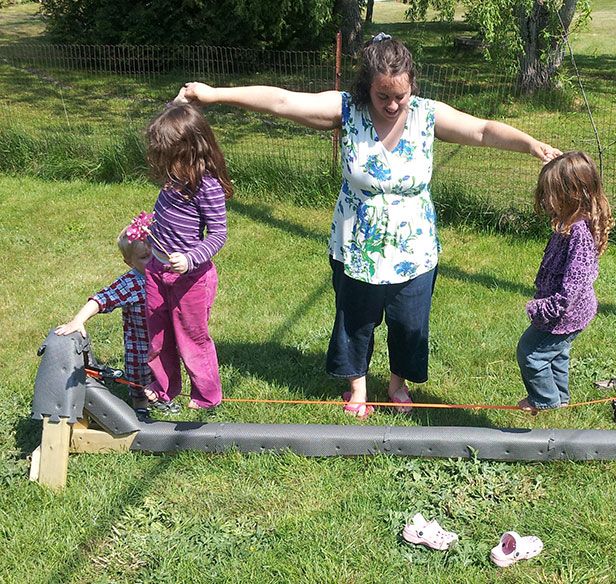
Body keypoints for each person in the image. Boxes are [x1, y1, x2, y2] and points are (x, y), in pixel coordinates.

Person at [177, 33, 560, 419]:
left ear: (412, 84)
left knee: (409, 321)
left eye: (400, 96)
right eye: (383, 96)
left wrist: (529, 144)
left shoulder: (428, 114)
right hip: (356, 242)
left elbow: (482, 130)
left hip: (415, 247)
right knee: (356, 319)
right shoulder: (347, 109)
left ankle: (397, 383)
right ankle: (357, 385)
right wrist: (213, 94)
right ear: (367, 87)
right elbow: (281, 100)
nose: (393, 105)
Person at [142, 103, 233, 412]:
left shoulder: (206, 186)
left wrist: (191, 258)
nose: (165, 163)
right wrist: (147, 233)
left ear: (191, 150)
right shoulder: (173, 178)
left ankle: (206, 396)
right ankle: (164, 388)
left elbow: (219, 233)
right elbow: (164, 219)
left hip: (190, 279)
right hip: (156, 271)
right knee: (158, 336)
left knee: (191, 339)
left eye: (170, 156)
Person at [516, 151, 614, 414]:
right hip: (572, 313)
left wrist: (540, 309)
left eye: (551, 193)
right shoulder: (570, 224)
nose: (546, 199)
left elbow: (571, 290)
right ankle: (560, 398)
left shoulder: (580, 236)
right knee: (557, 354)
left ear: (572, 194)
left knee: (531, 353)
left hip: (564, 315)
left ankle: (544, 401)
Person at [55, 228, 153, 417]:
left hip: (165, 341)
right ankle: (140, 404)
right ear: (129, 262)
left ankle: (163, 398)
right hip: (141, 344)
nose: (153, 260)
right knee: (140, 374)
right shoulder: (131, 283)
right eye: (144, 257)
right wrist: (78, 320)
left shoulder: (168, 274)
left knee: (165, 371)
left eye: (155, 252)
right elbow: (101, 299)